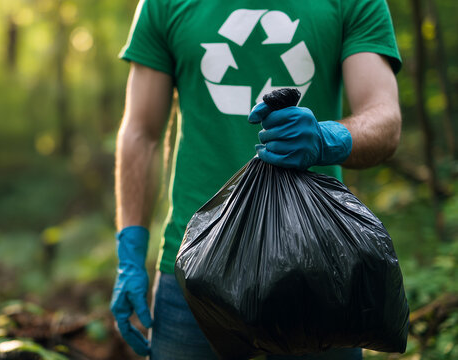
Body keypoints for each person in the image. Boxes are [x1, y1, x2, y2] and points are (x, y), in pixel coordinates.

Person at [110, 0, 402, 358]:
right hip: (193, 266)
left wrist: (327, 138)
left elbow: (385, 119)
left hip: (318, 266)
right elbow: (141, 132)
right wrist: (130, 251)